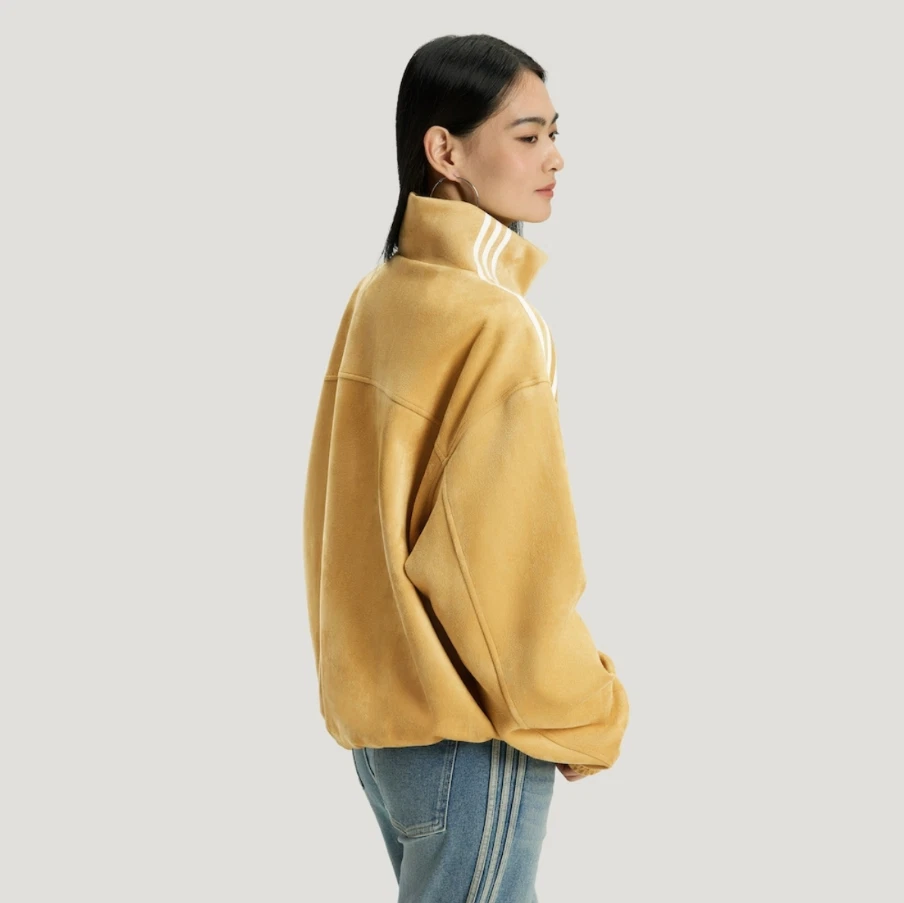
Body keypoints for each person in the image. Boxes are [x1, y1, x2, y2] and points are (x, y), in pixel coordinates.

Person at [303, 33, 629, 902]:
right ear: (444, 151)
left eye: (554, 133)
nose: (555, 157)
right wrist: (586, 710)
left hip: (388, 739)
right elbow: (500, 573)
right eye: (527, 135)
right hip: (470, 738)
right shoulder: (497, 321)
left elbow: (348, 530)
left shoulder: (381, 294)